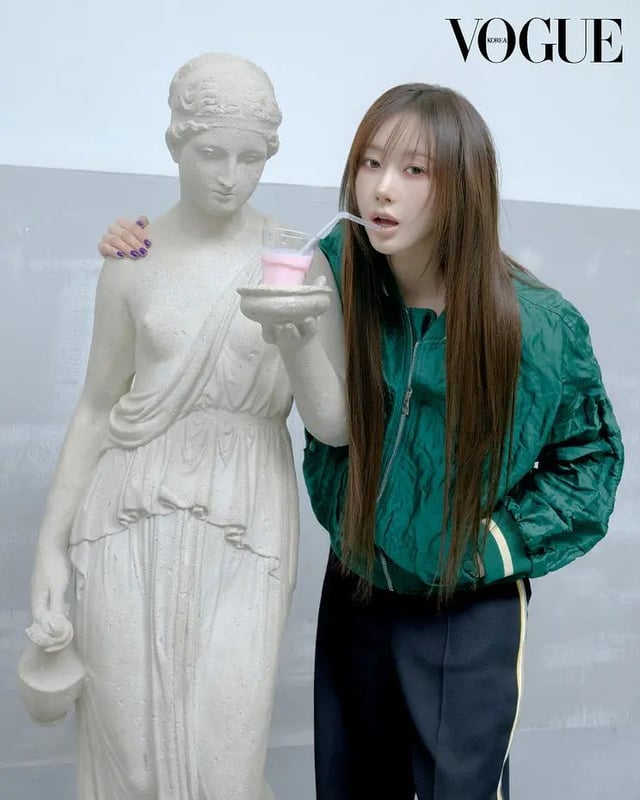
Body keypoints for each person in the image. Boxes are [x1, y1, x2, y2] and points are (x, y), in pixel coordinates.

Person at [98, 82, 624, 800]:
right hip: (357, 592)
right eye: (371, 163)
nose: (382, 189)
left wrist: (490, 547)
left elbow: (589, 461)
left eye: (414, 170)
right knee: (351, 786)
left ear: (463, 185)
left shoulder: (536, 324)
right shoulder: (337, 272)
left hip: (465, 609)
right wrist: (141, 243)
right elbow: (232, 258)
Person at [27, 52, 345, 800]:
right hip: (126, 510)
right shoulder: (133, 256)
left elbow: (334, 427)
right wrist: (48, 548)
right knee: (132, 761)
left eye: (250, 158)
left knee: (225, 768)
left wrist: (297, 341)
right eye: (211, 153)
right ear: (176, 143)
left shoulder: (295, 261)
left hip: (245, 515)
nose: (230, 176)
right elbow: (97, 406)